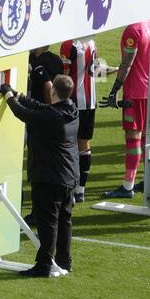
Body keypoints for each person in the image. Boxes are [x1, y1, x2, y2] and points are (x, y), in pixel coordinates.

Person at [2, 75, 79, 277]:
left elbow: (24, 114)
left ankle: (44, 265)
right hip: (69, 176)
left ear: (53, 90)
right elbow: (41, 107)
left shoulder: (51, 117)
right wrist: (19, 94)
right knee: (64, 220)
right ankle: (65, 260)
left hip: (49, 177)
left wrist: (9, 97)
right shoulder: (71, 109)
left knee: (48, 224)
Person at [101, 17, 150, 200]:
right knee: (146, 137)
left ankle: (127, 186)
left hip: (135, 93)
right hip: (148, 91)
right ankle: (148, 180)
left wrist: (114, 90)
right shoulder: (148, 23)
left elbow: (128, 64)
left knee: (133, 138)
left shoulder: (133, 30)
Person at [59, 37, 102, 202]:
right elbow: (96, 68)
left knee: (69, 144)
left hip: (73, 102)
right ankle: (80, 190)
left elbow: (65, 78)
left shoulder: (68, 43)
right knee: (84, 144)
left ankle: (70, 188)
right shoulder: (91, 41)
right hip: (90, 101)